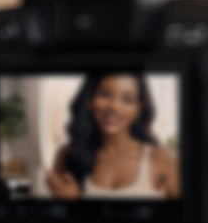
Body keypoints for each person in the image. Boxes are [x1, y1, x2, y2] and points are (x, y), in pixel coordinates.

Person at [44, 72, 179, 200]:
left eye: (127, 100)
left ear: (138, 109)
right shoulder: (67, 155)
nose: (114, 107)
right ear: (90, 100)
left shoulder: (167, 161)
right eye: (105, 94)